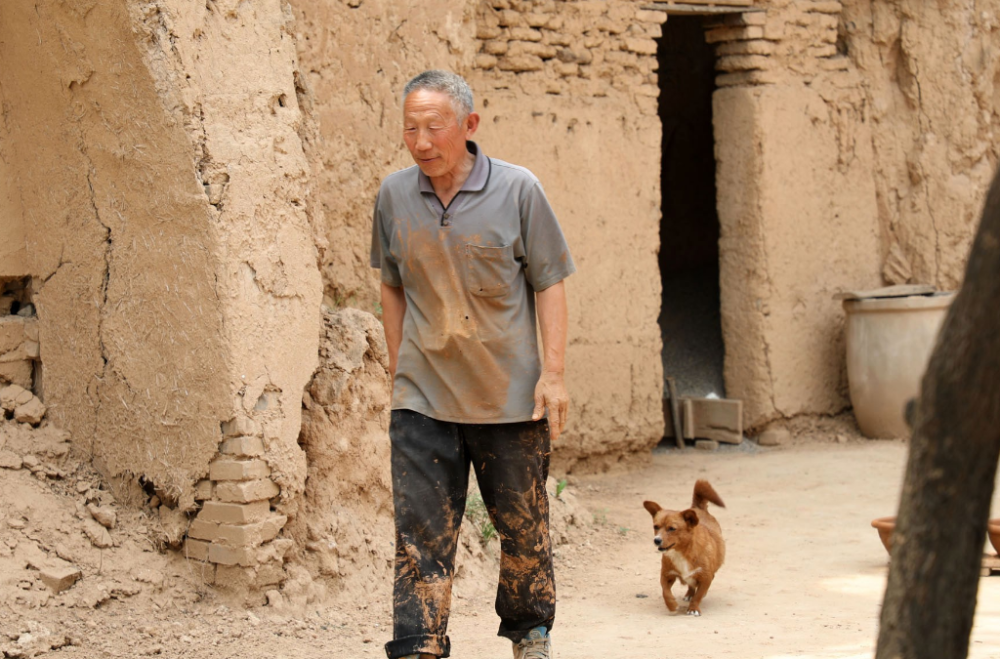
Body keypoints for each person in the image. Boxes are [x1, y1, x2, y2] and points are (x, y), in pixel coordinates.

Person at [370, 70, 576, 659]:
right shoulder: (393, 195)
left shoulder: (518, 190)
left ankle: (529, 633)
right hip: (422, 400)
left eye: (435, 127)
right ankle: (420, 645)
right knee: (419, 540)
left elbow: (550, 281)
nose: (422, 141)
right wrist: (397, 363)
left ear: (469, 125)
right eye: (411, 128)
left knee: (523, 529)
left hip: (510, 399)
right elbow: (391, 284)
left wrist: (553, 373)